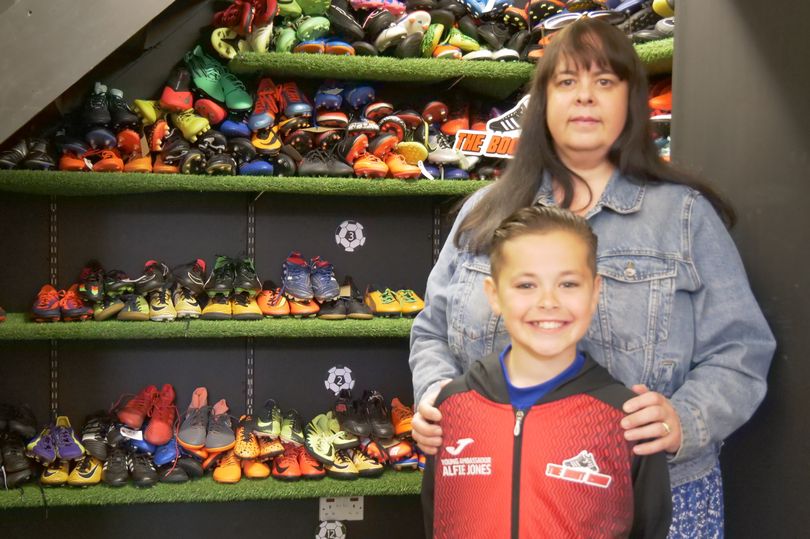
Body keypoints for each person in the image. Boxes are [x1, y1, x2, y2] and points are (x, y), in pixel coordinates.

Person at [409, 17, 775, 538]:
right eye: (566, 82)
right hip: (497, 493)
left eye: (605, 81)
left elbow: (742, 350)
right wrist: (437, 396)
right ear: (542, 103)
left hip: (656, 493)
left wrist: (685, 418)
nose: (585, 97)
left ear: (631, 100)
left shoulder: (685, 218)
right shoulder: (481, 214)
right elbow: (431, 331)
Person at [422, 205, 672, 538]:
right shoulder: (451, 408)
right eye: (526, 285)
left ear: (595, 291)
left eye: (568, 284)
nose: (548, 301)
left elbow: (649, 528)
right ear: (494, 295)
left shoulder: (628, 422)